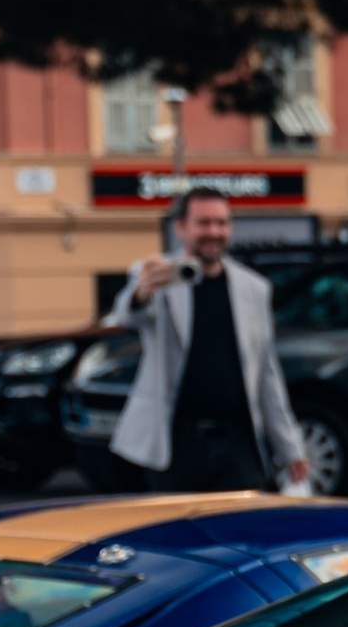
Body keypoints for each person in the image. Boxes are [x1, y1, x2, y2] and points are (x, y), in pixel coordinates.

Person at [105, 188, 312, 493]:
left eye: (221, 223)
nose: (213, 232)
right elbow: (128, 317)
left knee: (241, 535)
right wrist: (141, 293)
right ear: (181, 228)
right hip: (175, 445)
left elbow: (267, 377)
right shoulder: (158, 275)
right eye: (203, 223)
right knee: (177, 537)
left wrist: (290, 447)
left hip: (238, 445)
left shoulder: (254, 289)